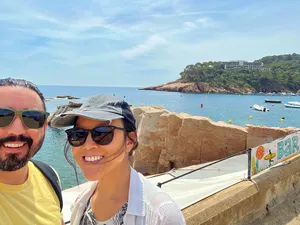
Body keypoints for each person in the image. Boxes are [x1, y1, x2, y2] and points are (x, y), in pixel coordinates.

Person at [51, 94, 186, 225]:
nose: (87, 145)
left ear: (130, 140)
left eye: (103, 134)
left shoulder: (162, 216)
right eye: (78, 135)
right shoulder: (81, 203)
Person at [0, 77, 64, 225]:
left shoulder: (49, 176)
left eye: (33, 118)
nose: (17, 130)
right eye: (2, 116)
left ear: (44, 127)